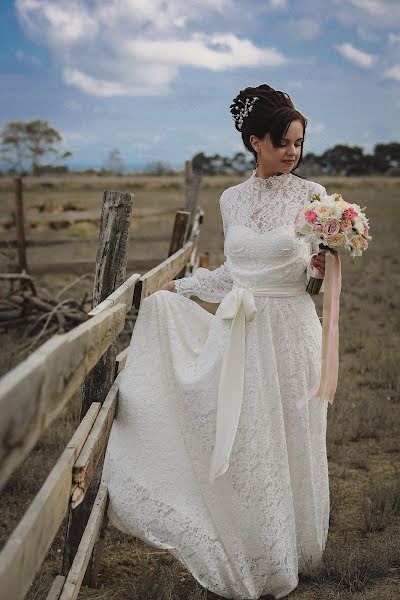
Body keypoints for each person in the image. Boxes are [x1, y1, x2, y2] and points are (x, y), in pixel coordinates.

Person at [102, 84, 330, 600]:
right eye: (283, 142)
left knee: (294, 429)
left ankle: (298, 547)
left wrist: (321, 267)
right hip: (245, 329)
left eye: (299, 143)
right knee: (253, 435)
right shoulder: (231, 199)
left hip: (292, 329)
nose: (293, 152)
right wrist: (180, 287)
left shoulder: (313, 197)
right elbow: (233, 272)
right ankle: (259, 544)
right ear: (255, 141)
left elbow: (314, 279)